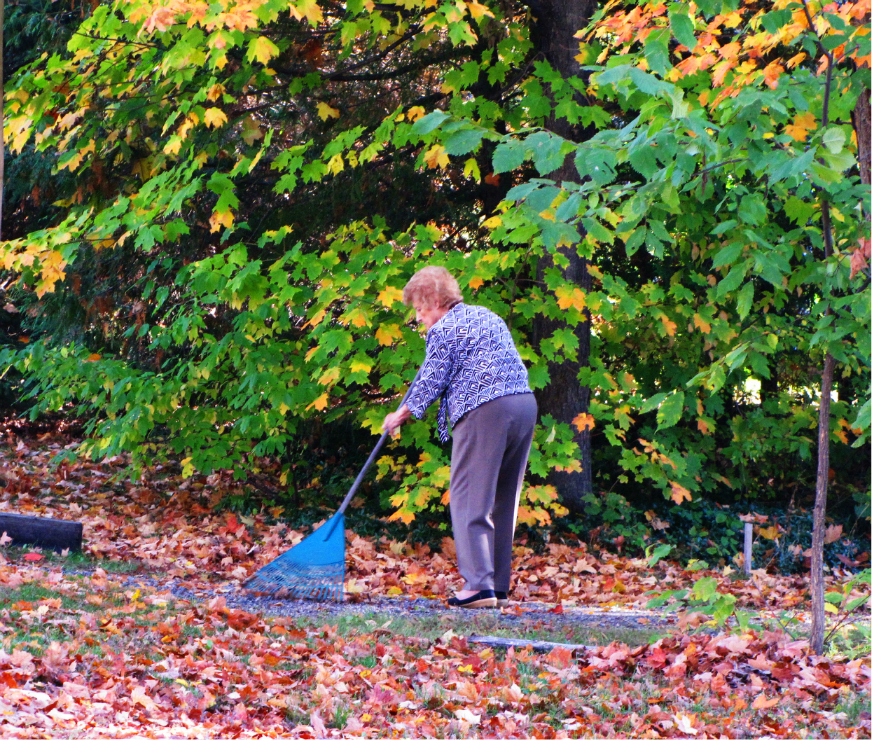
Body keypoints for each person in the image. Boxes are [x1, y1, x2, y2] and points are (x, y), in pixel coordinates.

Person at [383, 266, 537, 608]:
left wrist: (400, 415)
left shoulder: (444, 329)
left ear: (436, 301)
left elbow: (430, 381)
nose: (420, 318)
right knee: (502, 499)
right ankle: (496, 586)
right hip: (524, 405)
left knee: (470, 496)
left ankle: (479, 586)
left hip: (486, 410)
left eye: (421, 310)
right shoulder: (487, 316)